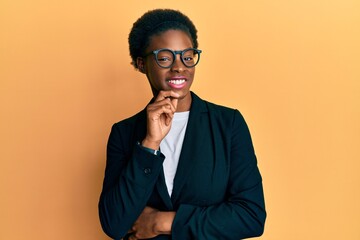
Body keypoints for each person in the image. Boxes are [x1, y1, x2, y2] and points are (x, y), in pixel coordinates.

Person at [98, 9, 266, 240]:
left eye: (187, 56)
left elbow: (251, 216)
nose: (179, 67)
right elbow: (114, 223)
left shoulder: (228, 124)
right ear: (141, 63)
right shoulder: (124, 133)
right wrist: (150, 144)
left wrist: (162, 222)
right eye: (165, 58)